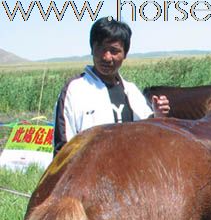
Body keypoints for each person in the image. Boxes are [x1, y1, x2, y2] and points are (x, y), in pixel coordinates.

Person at [53, 17, 170, 155]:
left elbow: (147, 132)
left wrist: (158, 115)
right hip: (89, 173)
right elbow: (63, 148)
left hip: (129, 172)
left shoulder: (132, 91)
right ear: (92, 49)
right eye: (101, 49)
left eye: (114, 51)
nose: (107, 57)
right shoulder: (75, 90)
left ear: (125, 54)